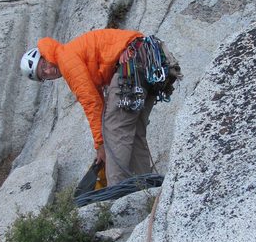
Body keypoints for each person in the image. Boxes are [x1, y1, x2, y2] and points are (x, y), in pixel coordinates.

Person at [21, 29, 181, 188]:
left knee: (114, 131)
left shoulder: (65, 59)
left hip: (132, 65)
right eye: (44, 75)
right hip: (148, 63)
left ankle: (116, 195)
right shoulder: (72, 54)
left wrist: (100, 145)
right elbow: (98, 100)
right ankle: (143, 190)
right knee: (134, 131)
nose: (49, 71)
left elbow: (91, 102)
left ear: (45, 56)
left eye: (43, 66)